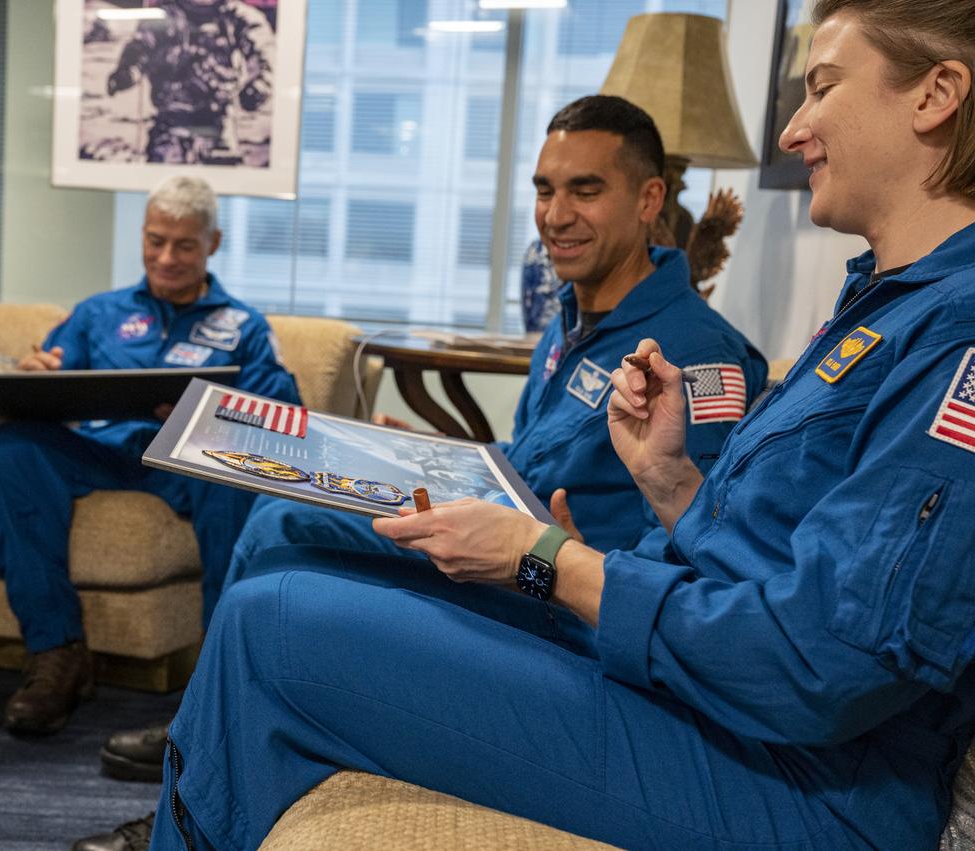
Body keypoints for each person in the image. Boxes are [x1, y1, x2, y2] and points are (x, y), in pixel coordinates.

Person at [104, 1, 975, 847]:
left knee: (271, 625)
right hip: (701, 677)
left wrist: (550, 560)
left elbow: (814, 666)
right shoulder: (877, 307)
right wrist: (672, 484)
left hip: (811, 780)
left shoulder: (953, 336)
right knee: (276, 571)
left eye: (822, 86)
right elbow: (772, 554)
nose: (793, 131)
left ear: (936, 96)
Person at [82, 95, 768, 795]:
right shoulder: (578, 318)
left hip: (553, 592)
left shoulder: (697, 354)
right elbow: (532, 458)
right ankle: (208, 732)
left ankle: (203, 740)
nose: (555, 215)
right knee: (279, 512)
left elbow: (702, 550)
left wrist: (574, 561)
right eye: (544, 189)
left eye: (585, 190)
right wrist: (434, 452)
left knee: (281, 526)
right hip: (495, 538)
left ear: (651, 198)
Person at [0, 175, 298, 736]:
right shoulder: (97, 313)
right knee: (9, 447)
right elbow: (49, 374)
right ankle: (57, 655)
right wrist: (36, 376)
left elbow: (284, 414)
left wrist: (215, 411)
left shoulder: (244, 327)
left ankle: (216, 680)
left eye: (184, 245)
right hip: (103, 451)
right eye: (155, 241)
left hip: (191, 464)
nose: (166, 257)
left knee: (231, 471)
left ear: (213, 244)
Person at [106, 0, 274, 165]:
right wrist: (127, 72)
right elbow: (139, 47)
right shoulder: (163, 16)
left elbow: (264, 53)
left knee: (219, 181)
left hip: (217, 126)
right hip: (170, 125)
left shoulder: (237, 16)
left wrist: (259, 85)